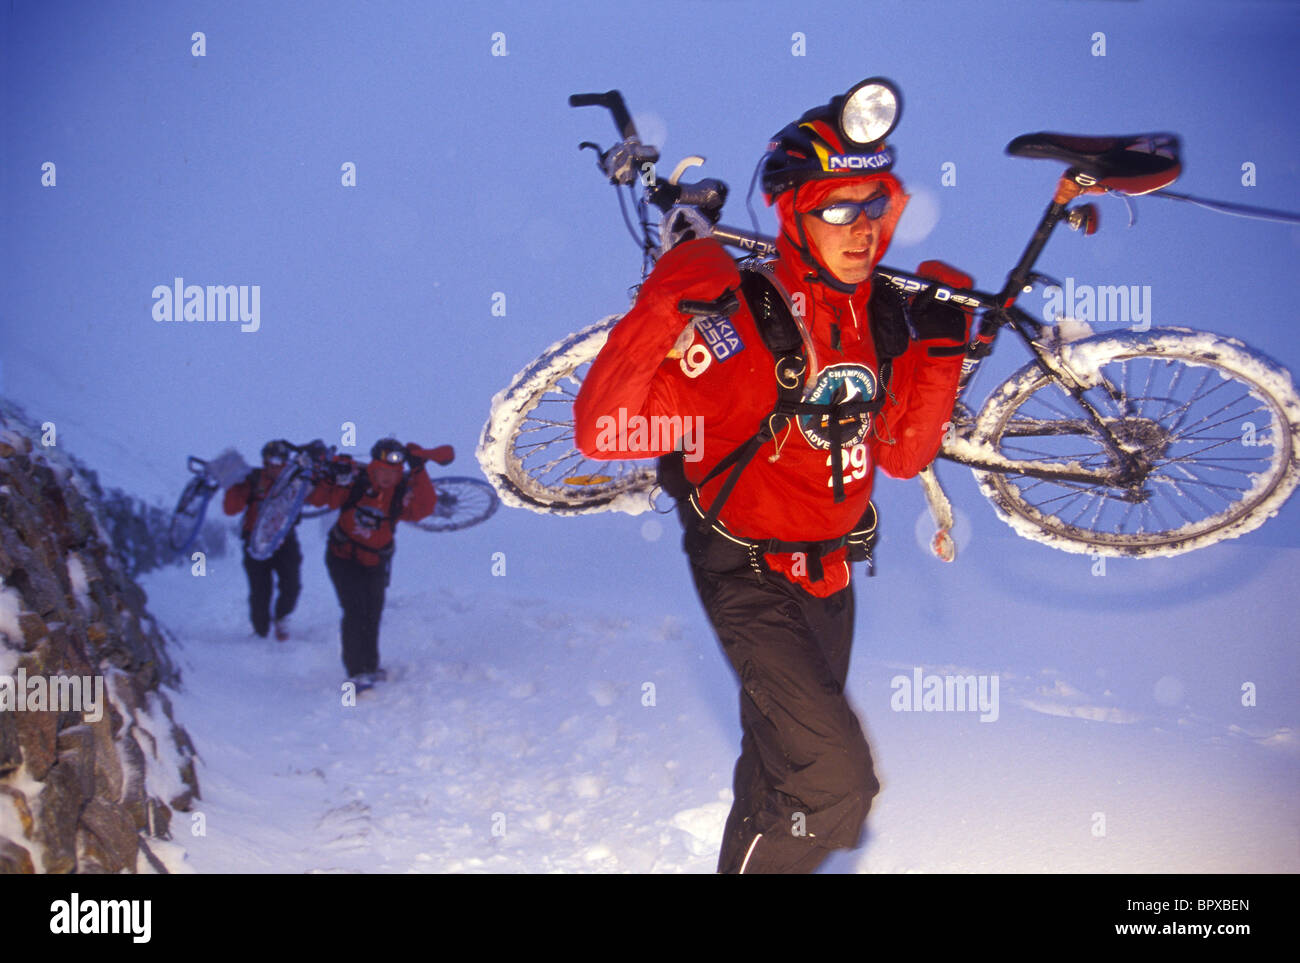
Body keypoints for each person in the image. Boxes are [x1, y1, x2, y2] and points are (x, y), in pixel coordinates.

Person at [573, 83, 973, 873]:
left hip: (831, 576)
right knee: (835, 783)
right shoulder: (741, 325)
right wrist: (665, 298)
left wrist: (941, 355)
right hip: (747, 570)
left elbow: (899, 455)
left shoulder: (882, 313)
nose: (860, 229)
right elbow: (601, 429)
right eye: (837, 208)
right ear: (794, 214)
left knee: (779, 776)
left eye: (873, 206)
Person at [308, 438, 451, 687]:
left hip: (375, 561)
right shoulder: (355, 482)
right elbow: (322, 500)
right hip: (343, 556)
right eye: (381, 471)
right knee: (354, 612)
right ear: (373, 467)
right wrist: (334, 478)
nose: (387, 477)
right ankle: (357, 673)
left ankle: (370, 666)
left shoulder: (400, 492)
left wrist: (419, 469)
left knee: (372, 614)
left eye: (394, 472)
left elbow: (423, 508)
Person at [224, 439, 303, 641]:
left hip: (284, 540)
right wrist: (235, 485)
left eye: (282, 460)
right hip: (255, 542)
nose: (277, 465)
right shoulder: (252, 480)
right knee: (260, 591)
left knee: (291, 585)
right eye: (273, 459)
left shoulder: (293, 482)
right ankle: (260, 632)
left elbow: (318, 497)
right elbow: (231, 509)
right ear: (265, 461)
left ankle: (281, 618)